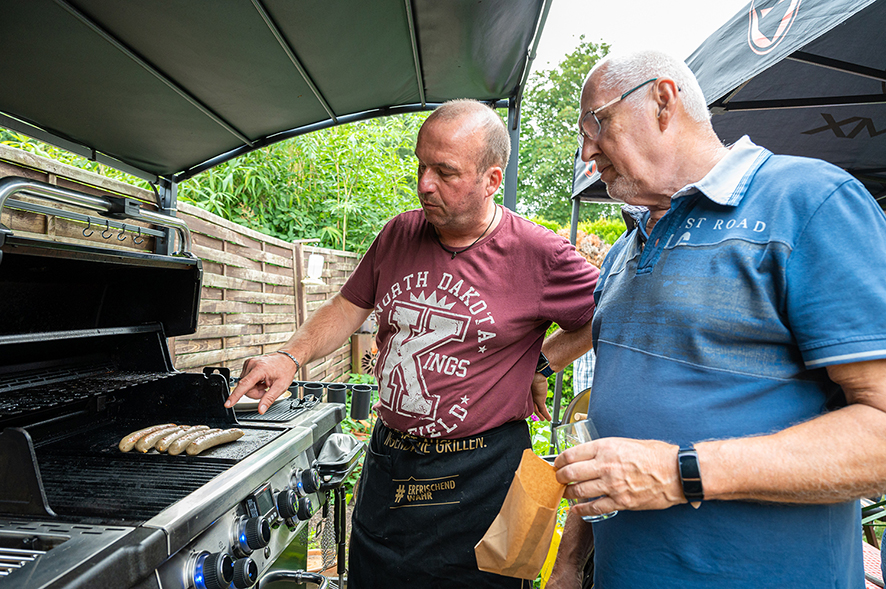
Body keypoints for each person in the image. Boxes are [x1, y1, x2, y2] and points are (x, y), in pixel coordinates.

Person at [546, 50, 886, 589]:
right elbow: (613, 437)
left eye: (598, 122)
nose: (587, 151)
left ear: (663, 101)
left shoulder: (811, 201)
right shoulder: (622, 252)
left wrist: (680, 473)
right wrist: (569, 563)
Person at [225, 99, 599, 588]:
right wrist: (289, 355)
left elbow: (608, 315)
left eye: (445, 172)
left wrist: (541, 363)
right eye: (421, 165)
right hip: (391, 463)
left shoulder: (539, 254)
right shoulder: (400, 233)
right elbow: (346, 307)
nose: (425, 183)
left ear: (492, 179)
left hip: (480, 475)